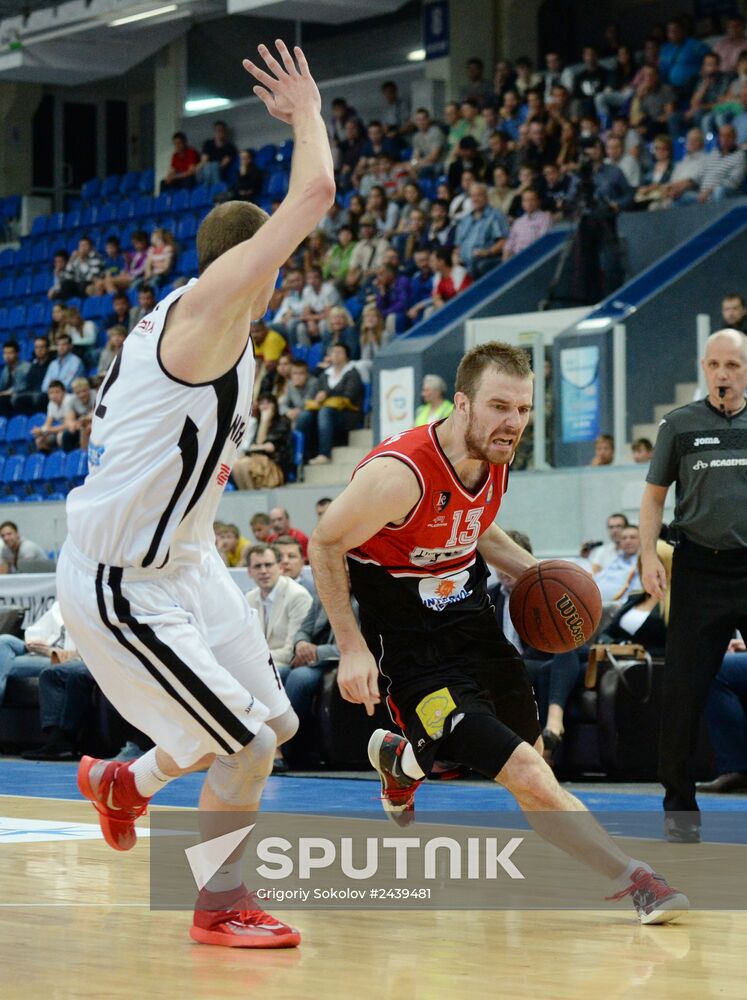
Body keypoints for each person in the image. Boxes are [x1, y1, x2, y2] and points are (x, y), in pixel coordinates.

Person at [55, 39, 335, 948]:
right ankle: (218, 908)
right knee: (243, 746)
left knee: (276, 719)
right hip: (120, 581)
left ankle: (122, 783)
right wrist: (308, 115)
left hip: (186, 565)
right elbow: (317, 197)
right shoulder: (208, 317)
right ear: (252, 264)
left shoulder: (229, 338)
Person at [308, 340, 687, 924]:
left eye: (524, 410)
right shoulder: (398, 475)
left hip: (476, 630)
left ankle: (402, 762)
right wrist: (352, 648)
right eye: (499, 407)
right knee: (527, 772)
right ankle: (636, 880)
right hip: (414, 655)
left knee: (531, 760)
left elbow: (476, 528)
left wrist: (542, 579)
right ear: (462, 405)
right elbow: (326, 542)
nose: (513, 423)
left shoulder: (495, 460)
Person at [640, 328, 747, 844]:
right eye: (714, 365)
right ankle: (679, 816)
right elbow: (653, 498)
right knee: (681, 695)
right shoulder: (679, 425)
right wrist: (645, 555)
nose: (723, 374)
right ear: (704, 367)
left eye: (733, 365)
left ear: (746, 368)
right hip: (699, 571)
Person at [245, 543, 312, 671]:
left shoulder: (297, 596)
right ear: (249, 572)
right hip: (259, 663)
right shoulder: (249, 597)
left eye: (268, 565)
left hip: (286, 665)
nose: (263, 571)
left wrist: (252, 658)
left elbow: (291, 651)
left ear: (280, 567)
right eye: (257, 566)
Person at [232, 393, 292, 489]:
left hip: (275, 464)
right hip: (258, 459)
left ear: (275, 406)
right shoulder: (257, 422)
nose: (265, 406)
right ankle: (247, 494)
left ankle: (252, 494)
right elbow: (255, 446)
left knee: (244, 464)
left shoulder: (283, 421)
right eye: (262, 403)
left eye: (268, 403)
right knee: (235, 465)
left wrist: (265, 420)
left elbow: (268, 446)